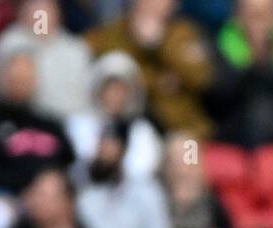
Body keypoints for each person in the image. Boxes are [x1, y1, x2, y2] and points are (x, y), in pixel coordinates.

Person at [0, 36, 76, 195]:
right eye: (15, 79)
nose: (21, 80)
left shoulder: (51, 124)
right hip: (1, 201)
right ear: (1, 77)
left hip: (50, 202)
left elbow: (68, 167)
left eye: (26, 78)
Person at [85, 0, 216, 138]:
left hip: (181, 127)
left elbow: (202, 78)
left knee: (189, 155)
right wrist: (160, 81)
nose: (154, 4)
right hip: (127, 129)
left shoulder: (183, 32)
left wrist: (159, 44)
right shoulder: (115, 32)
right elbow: (117, 76)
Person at [74, 120, 179, 228]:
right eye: (101, 144)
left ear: (124, 149)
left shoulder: (145, 192)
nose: (104, 151)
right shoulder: (79, 193)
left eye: (111, 144)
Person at [208, 0, 273, 147]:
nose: (259, 24)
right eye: (252, 15)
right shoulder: (222, 45)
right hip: (237, 136)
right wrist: (267, 61)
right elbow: (220, 95)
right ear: (238, 18)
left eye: (264, 15)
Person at [65, 51, 164, 183]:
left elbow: (142, 170)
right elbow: (77, 163)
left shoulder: (141, 130)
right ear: (98, 89)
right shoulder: (79, 123)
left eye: (121, 90)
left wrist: (117, 159)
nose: (114, 96)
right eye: (110, 89)